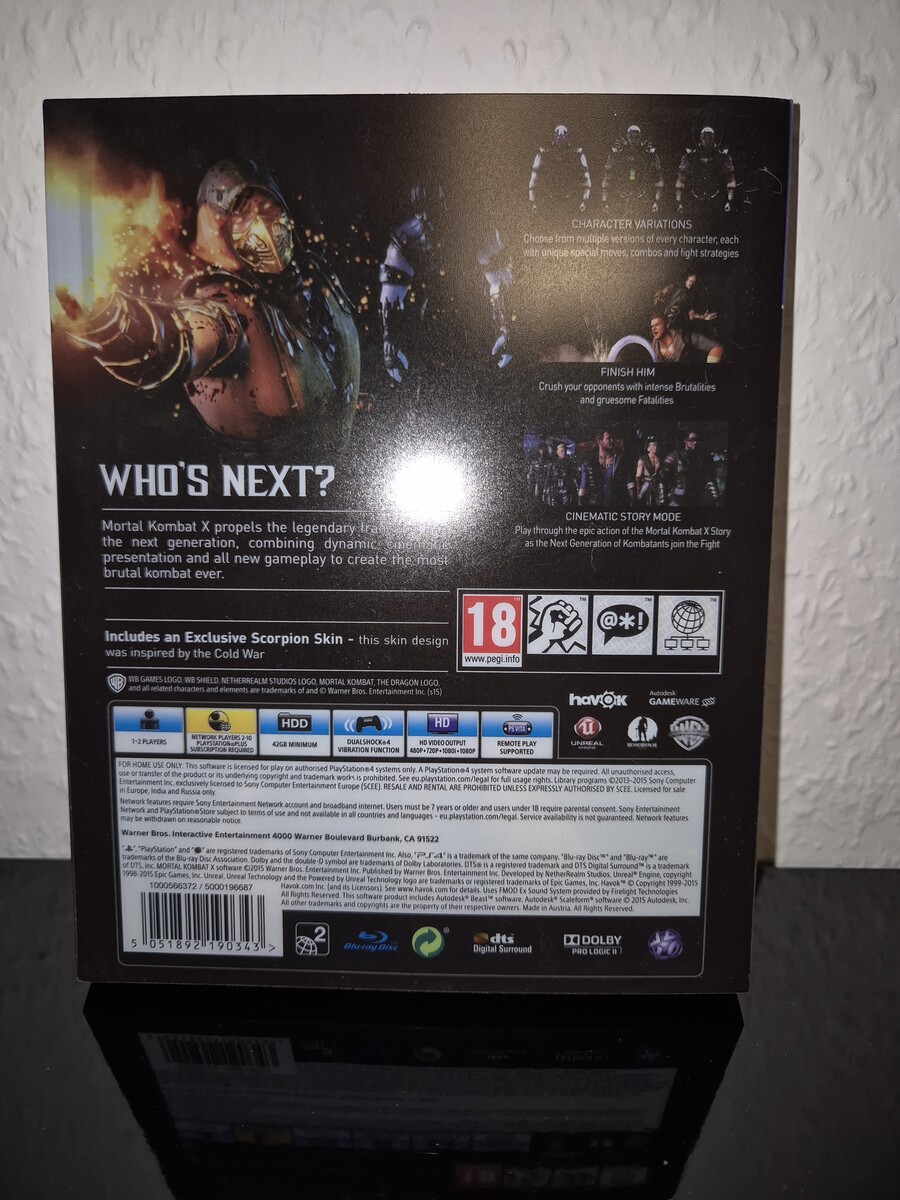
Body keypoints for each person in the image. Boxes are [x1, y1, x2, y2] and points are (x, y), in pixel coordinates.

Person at [56, 159, 360, 444]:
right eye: (243, 212)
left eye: (265, 207)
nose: (260, 224)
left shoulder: (315, 274)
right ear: (219, 225)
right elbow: (183, 341)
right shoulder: (229, 300)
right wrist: (111, 322)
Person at [528, 125, 591, 216]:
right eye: (558, 137)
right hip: (548, 198)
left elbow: (586, 179)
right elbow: (534, 178)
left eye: (563, 137)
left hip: (570, 199)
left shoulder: (577, 153)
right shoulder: (544, 153)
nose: (560, 140)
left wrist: (584, 200)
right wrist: (532, 200)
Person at [601, 124, 663, 215]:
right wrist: (605, 201)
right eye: (631, 137)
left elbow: (658, 178)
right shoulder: (618, 152)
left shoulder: (648, 153)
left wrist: (656, 201)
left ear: (640, 137)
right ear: (627, 137)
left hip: (643, 192)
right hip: (621, 192)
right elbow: (607, 178)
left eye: (636, 137)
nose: (633, 140)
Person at [675, 126, 736, 216]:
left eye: (710, 138)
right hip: (694, 200)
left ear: (714, 138)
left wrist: (729, 201)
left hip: (716, 200)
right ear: (700, 138)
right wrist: (679, 201)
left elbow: (730, 181)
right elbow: (681, 181)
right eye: (705, 137)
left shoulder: (722, 157)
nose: (707, 140)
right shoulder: (690, 157)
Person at [661, 429, 720, 507]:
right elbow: (664, 479)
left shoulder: (701, 457)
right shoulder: (674, 456)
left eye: (696, 440)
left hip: (697, 496)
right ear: (685, 440)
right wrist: (663, 499)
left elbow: (709, 477)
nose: (695, 442)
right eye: (692, 439)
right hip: (679, 496)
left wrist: (715, 497)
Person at [578, 428, 630, 508]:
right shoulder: (589, 462)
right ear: (600, 441)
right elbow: (583, 486)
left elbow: (629, 482)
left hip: (617, 503)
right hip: (597, 504)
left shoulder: (619, 460)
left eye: (612, 438)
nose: (612, 440)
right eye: (608, 438)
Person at [649, 312, 724, 363]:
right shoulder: (654, 346)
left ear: (666, 325)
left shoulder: (683, 337)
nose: (653, 328)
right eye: (652, 326)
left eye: (657, 325)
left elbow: (716, 347)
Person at [542, 440, 580, 507]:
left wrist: (576, 489)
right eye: (562, 451)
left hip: (566, 489)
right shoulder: (552, 463)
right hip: (555, 490)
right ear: (557, 452)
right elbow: (548, 477)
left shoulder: (569, 463)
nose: (564, 453)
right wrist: (545, 491)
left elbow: (573, 477)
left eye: (565, 451)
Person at [631, 436, 665, 509]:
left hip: (658, 486)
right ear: (649, 448)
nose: (656, 447)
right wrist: (638, 490)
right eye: (654, 445)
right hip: (647, 486)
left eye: (656, 445)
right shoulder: (642, 460)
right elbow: (638, 477)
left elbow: (661, 473)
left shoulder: (659, 459)